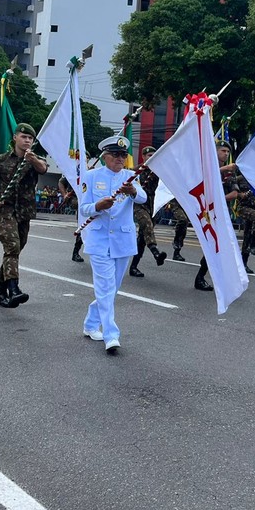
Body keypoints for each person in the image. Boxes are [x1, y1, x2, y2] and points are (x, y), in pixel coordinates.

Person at [78, 135, 146, 354]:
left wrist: (133, 191)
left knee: (111, 289)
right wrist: (97, 205)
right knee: (105, 287)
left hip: (123, 240)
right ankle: (111, 334)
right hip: (99, 239)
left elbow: (143, 198)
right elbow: (83, 208)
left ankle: (90, 324)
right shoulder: (91, 176)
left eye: (123, 155)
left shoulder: (130, 177)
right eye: (115, 155)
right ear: (105, 157)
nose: (120, 159)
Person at [0, 123, 49, 308]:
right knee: (12, 247)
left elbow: (43, 168)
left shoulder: (36, 159)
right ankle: (14, 289)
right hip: (5, 210)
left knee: (15, 251)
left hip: (24, 212)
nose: (27, 140)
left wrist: (32, 159)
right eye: (24, 137)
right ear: (15, 138)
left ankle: (1, 292)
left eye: (30, 138)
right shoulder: (0, 160)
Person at [194, 141, 239, 291]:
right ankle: (200, 277)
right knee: (211, 244)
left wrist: (221, 200)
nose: (226, 154)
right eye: (223, 151)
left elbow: (234, 193)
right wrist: (223, 169)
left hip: (221, 213)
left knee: (221, 245)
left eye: (227, 151)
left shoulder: (230, 173)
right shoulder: (207, 167)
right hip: (207, 212)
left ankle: (208, 277)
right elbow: (202, 179)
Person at [128, 146, 167, 278]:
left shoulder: (160, 172)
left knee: (142, 237)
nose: (152, 158)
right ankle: (156, 252)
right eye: (149, 155)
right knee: (146, 225)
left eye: (154, 155)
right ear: (143, 157)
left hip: (153, 204)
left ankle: (134, 266)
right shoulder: (135, 172)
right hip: (139, 204)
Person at [234, 173, 255, 274]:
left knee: (247, 236)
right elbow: (232, 192)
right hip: (243, 207)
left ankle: (244, 264)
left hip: (254, 208)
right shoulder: (238, 179)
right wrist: (240, 195)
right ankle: (253, 245)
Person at [58, 174, 84, 263]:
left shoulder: (89, 171)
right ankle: (75, 252)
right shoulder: (73, 171)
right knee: (83, 228)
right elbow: (61, 182)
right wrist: (64, 194)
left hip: (88, 201)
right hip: (76, 199)